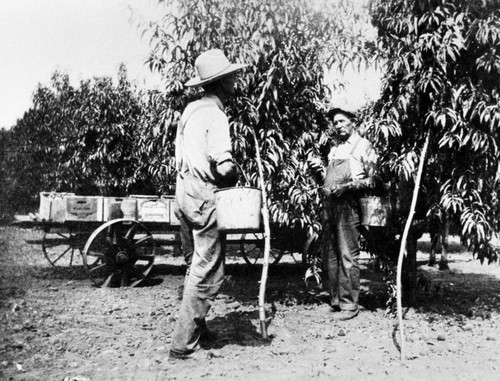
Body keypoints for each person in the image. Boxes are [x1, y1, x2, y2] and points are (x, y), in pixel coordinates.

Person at [169, 49, 247, 360]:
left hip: (184, 193)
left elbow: (181, 156)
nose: (236, 80)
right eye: (232, 77)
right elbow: (224, 166)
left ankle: (198, 329)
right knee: (206, 269)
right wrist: (235, 172)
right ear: (222, 82)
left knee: (194, 266)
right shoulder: (216, 115)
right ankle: (183, 345)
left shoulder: (189, 110)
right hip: (204, 195)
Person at [321, 107, 378, 321]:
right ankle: (335, 300)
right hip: (329, 205)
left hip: (349, 204)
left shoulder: (364, 146)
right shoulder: (334, 148)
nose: (338, 126)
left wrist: (349, 187)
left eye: (342, 121)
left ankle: (349, 305)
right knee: (331, 253)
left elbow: (374, 179)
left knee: (347, 254)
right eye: (335, 122)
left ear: (353, 121)